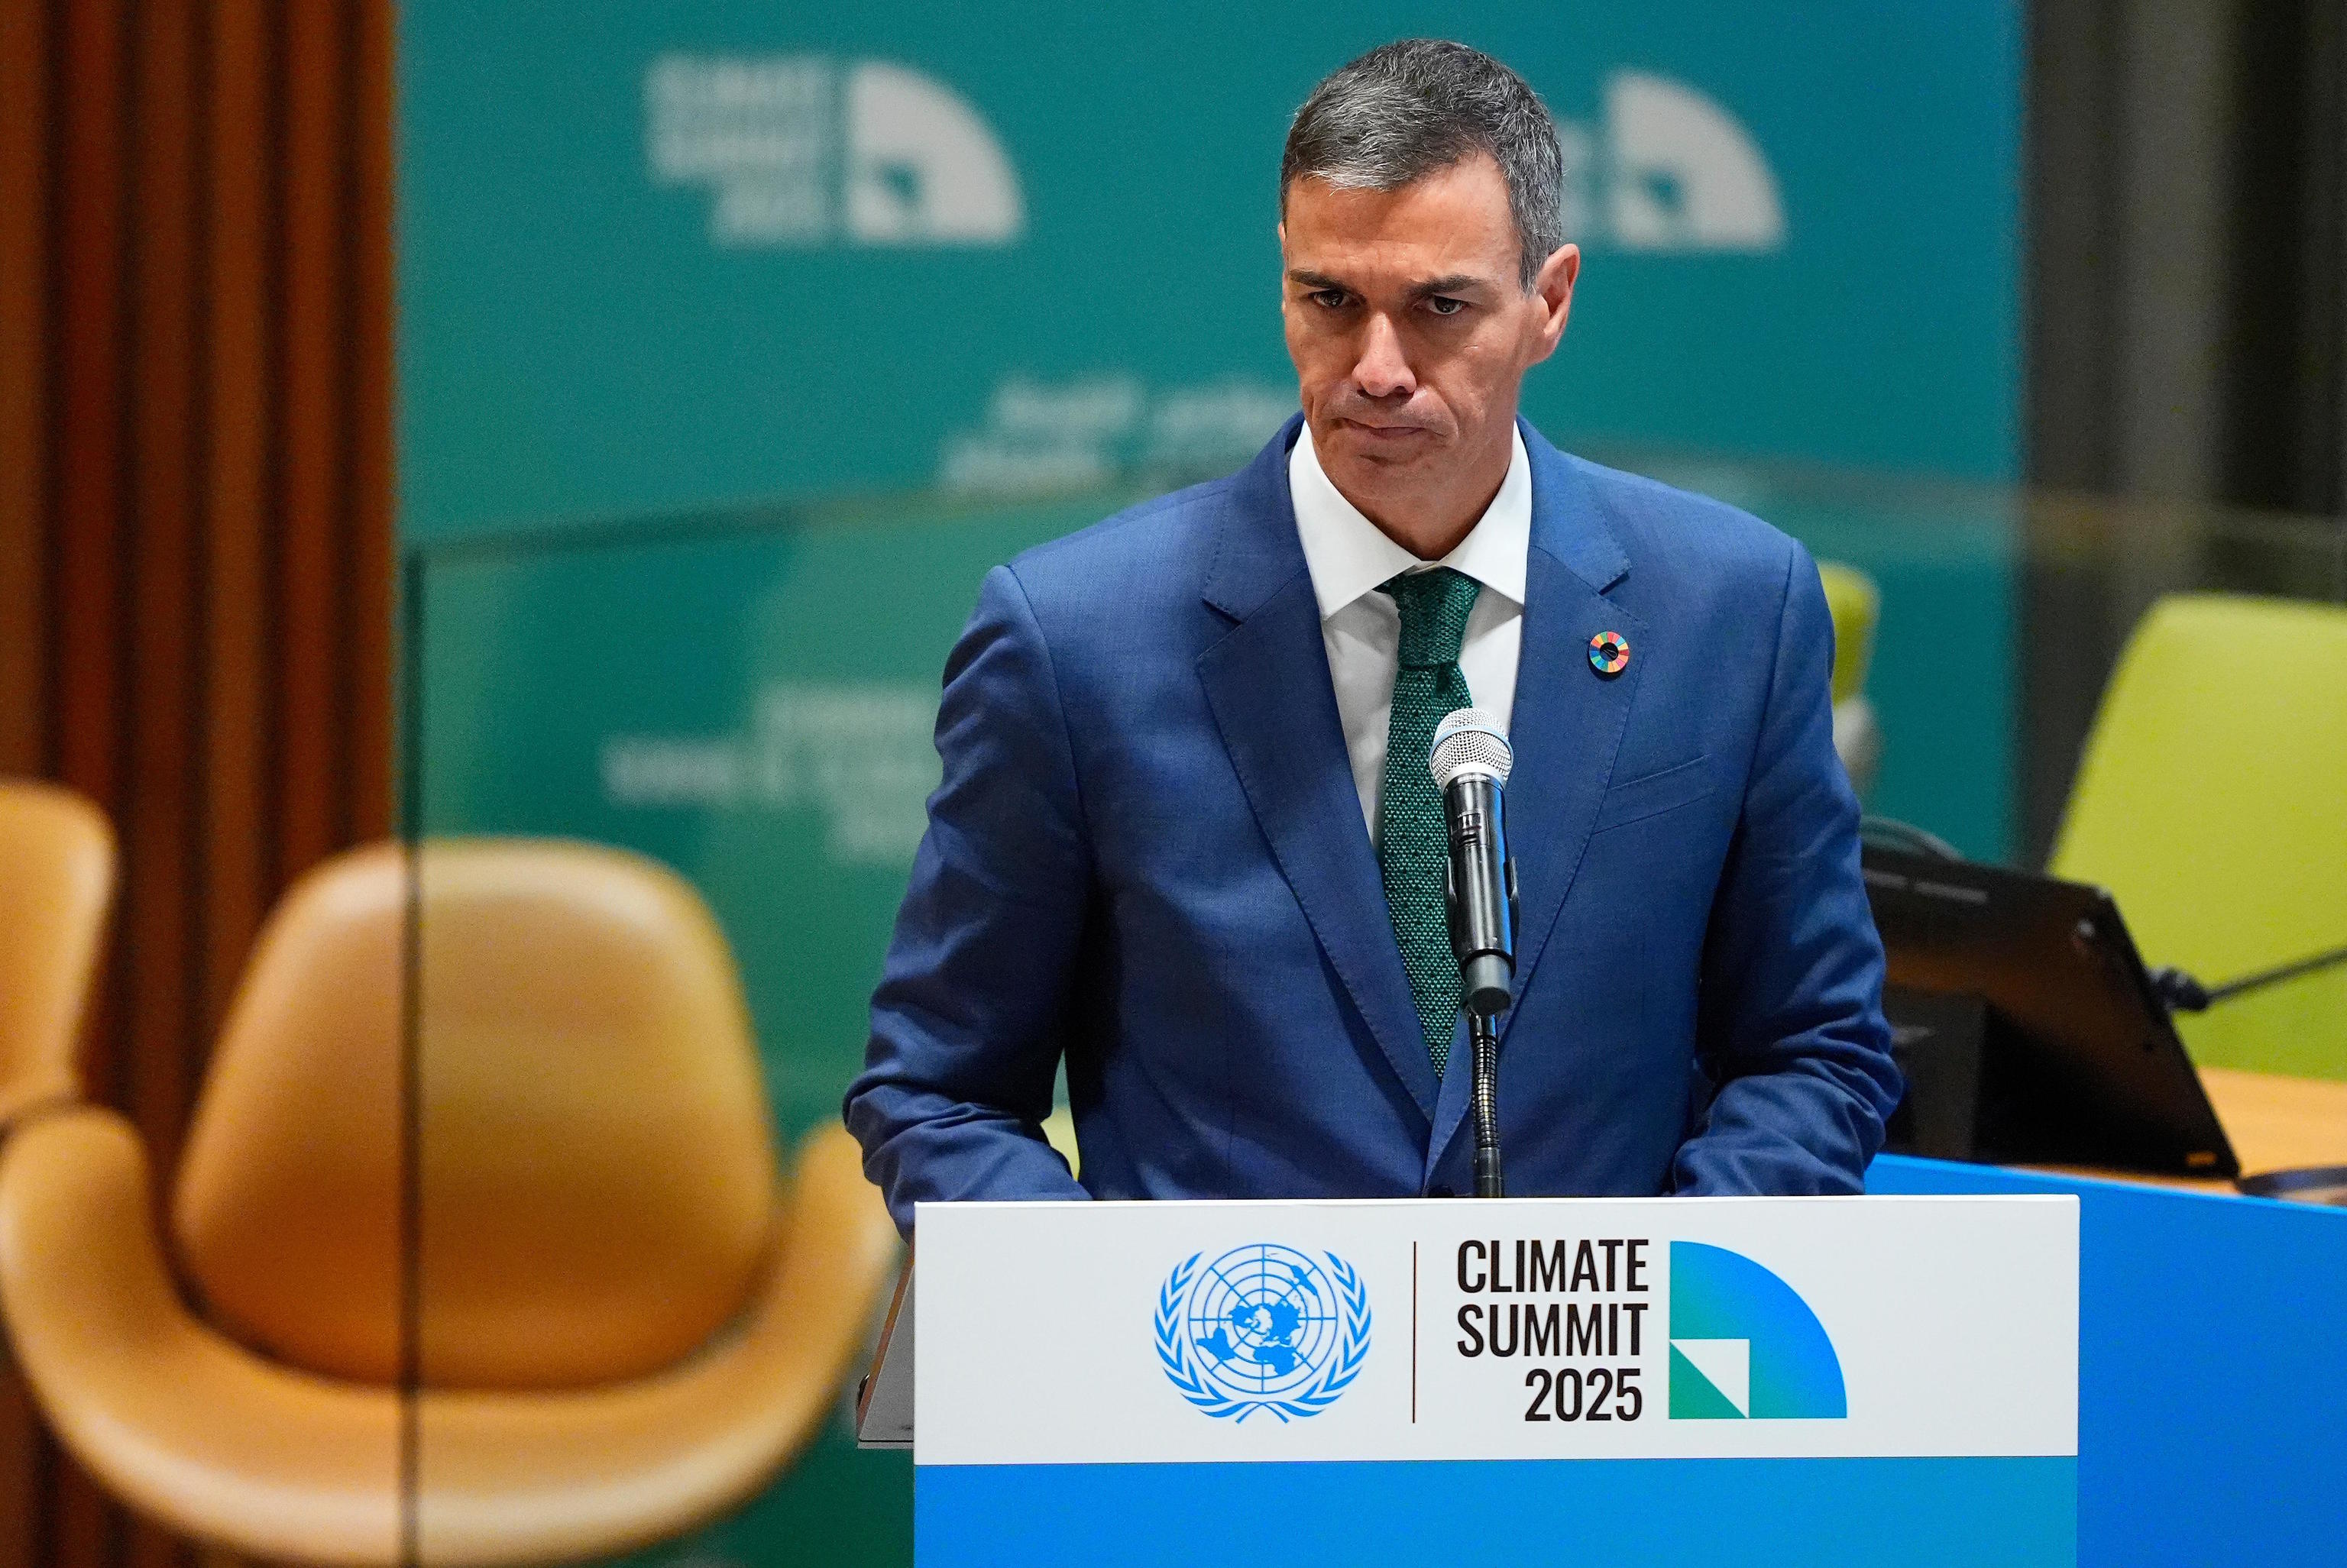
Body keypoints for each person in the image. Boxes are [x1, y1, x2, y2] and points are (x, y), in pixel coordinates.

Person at [844, 39, 1899, 1232]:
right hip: (1228, 1389)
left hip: (1597, 1397)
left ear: (1548, 302)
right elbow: (936, 1091)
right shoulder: (1076, 639)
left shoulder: (1730, 609)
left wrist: (1669, 1304)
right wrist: (1123, 1332)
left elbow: (1814, 1050)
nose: (1377, 369)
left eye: (1439, 307)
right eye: (1330, 301)